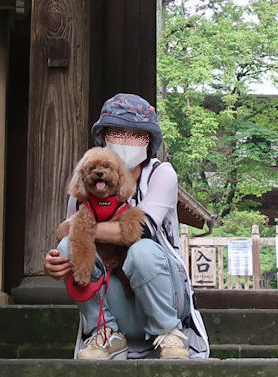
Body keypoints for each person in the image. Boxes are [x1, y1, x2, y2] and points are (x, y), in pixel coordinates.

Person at [43, 94, 209, 361]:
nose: (126, 142)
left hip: (163, 291)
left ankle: (169, 333)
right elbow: (64, 235)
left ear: (149, 141)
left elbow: (139, 231)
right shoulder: (86, 184)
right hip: (117, 297)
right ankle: (105, 333)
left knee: (142, 250)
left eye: (137, 136)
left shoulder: (161, 174)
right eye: (118, 133)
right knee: (66, 248)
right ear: (104, 137)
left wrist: (80, 228)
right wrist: (54, 262)